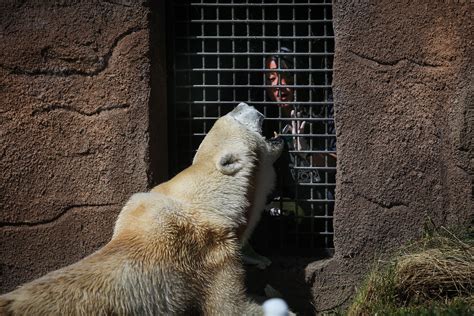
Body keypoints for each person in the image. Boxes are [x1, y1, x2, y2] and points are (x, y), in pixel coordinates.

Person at [264, 47, 337, 219]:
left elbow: (338, 164)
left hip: (322, 212)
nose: (278, 86)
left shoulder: (321, 113)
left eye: (285, 78)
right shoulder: (266, 120)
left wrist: (307, 152)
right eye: (271, 79)